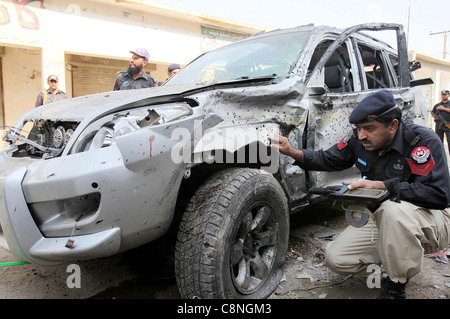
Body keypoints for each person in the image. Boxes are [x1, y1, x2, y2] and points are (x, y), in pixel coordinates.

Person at [270, 90, 450, 299]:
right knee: (337, 258)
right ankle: (398, 257)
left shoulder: (421, 142)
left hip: (431, 218)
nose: (362, 135)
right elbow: (328, 159)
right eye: (358, 128)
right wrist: (293, 152)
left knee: (393, 209)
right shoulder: (360, 140)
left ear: (392, 125)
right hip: (387, 218)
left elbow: (439, 195)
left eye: (369, 129)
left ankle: (396, 286)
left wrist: (385, 187)